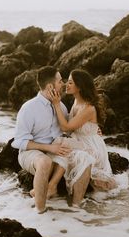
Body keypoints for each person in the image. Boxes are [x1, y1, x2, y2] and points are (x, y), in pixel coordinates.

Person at [11, 66, 91, 213]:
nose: (63, 84)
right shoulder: (29, 108)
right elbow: (19, 142)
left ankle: (77, 210)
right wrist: (49, 148)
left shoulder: (60, 106)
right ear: (50, 86)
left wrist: (93, 127)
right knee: (44, 162)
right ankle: (40, 212)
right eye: (60, 81)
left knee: (85, 158)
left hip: (57, 149)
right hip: (32, 153)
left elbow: (69, 128)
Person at [47, 69, 117, 197]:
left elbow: (66, 127)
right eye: (66, 82)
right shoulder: (76, 101)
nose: (66, 85)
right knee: (61, 145)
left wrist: (56, 104)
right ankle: (51, 186)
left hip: (91, 146)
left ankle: (52, 186)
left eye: (70, 83)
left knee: (62, 144)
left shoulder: (88, 108)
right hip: (81, 140)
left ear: (79, 87)